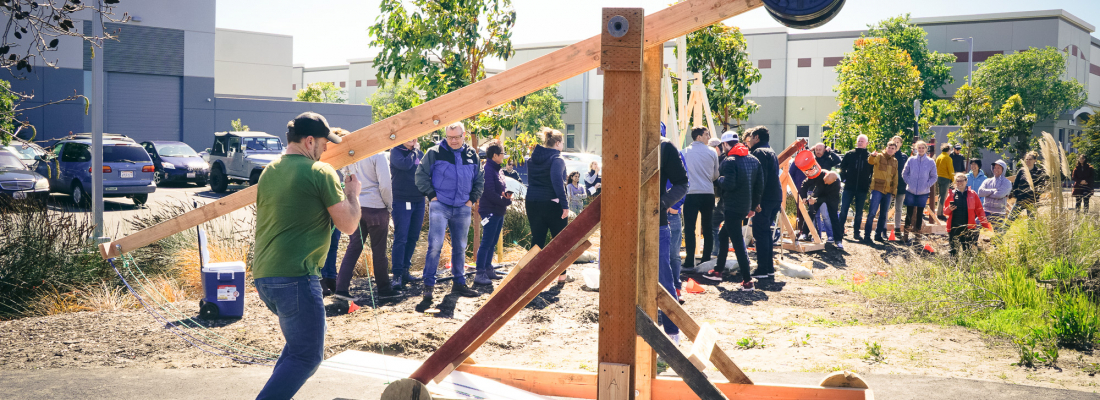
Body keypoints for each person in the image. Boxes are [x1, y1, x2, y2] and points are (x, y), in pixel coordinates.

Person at [252, 112, 361, 399]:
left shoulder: (270, 171)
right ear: (309, 140)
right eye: (324, 142)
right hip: (297, 276)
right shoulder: (320, 172)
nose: (326, 149)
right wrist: (352, 194)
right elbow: (348, 225)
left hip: (266, 277)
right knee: (308, 357)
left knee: (296, 350)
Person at [415, 122, 485, 301]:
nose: (453, 141)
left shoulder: (472, 155)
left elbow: (479, 179)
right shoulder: (434, 153)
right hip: (440, 205)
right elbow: (421, 175)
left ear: (464, 136)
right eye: (450, 137)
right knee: (435, 245)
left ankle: (459, 283)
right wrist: (432, 196)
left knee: (460, 247)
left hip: (463, 206)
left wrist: (471, 201)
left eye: (457, 137)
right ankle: (428, 285)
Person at [335, 136, 397, 299]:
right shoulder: (379, 155)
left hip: (355, 205)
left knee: (353, 247)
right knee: (379, 251)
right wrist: (389, 206)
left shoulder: (351, 155)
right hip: (376, 207)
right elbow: (385, 184)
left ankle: (341, 288)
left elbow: (346, 180)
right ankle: (383, 290)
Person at [702, 133, 762, 292]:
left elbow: (728, 184)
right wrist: (753, 206)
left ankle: (747, 280)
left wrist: (717, 178)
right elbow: (759, 186)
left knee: (737, 243)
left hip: (732, 208)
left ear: (725, 145)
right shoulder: (754, 160)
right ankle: (718, 271)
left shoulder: (730, 161)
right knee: (723, 236)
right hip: (744, 207)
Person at [526, 127, 572, 283]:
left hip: (532, 202)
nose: (562, 147)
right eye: (563, 143)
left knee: (537, 239)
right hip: (552, 203)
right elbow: (557, 181)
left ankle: (530, 275)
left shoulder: (532, 159)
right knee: (560, 240)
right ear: (557, 143)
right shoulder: (557, 159)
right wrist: (565, 204)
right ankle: (561, 276)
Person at [658, 137, 689, 341]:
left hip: (656, 222)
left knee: (663, 278)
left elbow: (682, 183)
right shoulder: (620, 139)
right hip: (622, 223)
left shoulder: (664, 147)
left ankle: (672, 333)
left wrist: (661, 203)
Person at [473, 140, 513, 287]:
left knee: (492, 241)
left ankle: (488, 267)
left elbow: (500, 189)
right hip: (489, 210)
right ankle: (480, 272)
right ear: (495, 155)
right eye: (502, 153)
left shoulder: (498, 170)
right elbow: (488, 192)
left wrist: (506, 197)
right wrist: (504, 200)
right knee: (487, 242)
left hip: (498, 210)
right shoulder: (488, 170)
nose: (504, 156)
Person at [681, 126, 720, 271]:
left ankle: (689, 260)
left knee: (689, 228)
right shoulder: (712, 152)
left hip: (690, 193)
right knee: (708, 227)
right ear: (698, 136)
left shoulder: (684, 152)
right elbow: (716, 175)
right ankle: (705, 259)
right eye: (706, 134)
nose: (708, 137)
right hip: (707, 193)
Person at [745, 126, 781, 278]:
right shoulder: (771, 150)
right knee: (766, 233)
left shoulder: (758, 152)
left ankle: (762, 269)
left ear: (757, 138)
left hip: (764, 198)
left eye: (751, 138)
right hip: (774, 196)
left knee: (760, 233)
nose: (749, 142)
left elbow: (760, 179)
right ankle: (768, 268)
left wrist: (756, 201)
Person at [389, 139, 426, 289]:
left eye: (415, 137)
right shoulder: (395, 152)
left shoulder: (419, 153)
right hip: (401, 200)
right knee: (401, 237)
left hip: (419, 200)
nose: (413, 140)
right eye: (409, 137)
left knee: (413, 236)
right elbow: (404, 165)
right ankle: (397, 274)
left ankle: (405, 270)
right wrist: (414, 151)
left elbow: (425, 171)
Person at [944, 173, 992, 257]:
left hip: (968, 227)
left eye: (962, 180)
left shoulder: (973, 194)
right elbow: (945, 212)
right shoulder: (951, 194)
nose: (959, 183)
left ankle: (967, 269)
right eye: (957, 181)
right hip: (954, 227)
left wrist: (985, 225)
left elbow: (980, 211)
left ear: (966, 181)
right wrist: (949, 209)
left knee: (967, 251)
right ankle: (953, 268)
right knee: (953, 251)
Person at [901, 141, 938, 242]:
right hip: (911, 190)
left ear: (926, 149)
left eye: (923, 148)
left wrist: (927, 185)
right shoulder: (911, 160)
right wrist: (909, 182)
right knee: (909, 213)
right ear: (916, 149)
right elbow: (904, 173)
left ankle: (918, 234)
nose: (921, 149)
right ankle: (906, 234)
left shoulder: (930, 162)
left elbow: (934, 176)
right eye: (919, 148)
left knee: (919, 214)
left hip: (923, 192)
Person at [839, 135, 874, 240]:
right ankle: (839, 231)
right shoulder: (850, 154)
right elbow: (841, 168)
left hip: (862, 189)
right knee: (843, 210)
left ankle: (856, 233)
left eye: (862, 141)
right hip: (849, 187)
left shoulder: (869, 157)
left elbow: (873, 172)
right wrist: (844, 179)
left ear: (867, 143)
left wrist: (868, 183)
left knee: (859, 212)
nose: (860, 143)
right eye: (859, 141)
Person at [864, 141, 898, 242]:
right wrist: (872, 155)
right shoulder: (879, 156)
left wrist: (894, 192)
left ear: (895, 150)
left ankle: (878, 236)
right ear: (886, 148)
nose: (891, 149)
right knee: (872, 213)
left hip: (888, 191)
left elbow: (895, 178)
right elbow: (870, 161)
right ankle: (867, 236)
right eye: (889, 147)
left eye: (893, 148)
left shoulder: (895, 161)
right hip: (877, 189)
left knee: (883, 215)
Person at [801, 171, 843, 249]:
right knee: (811, 212)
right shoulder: (819, 174)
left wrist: (816, 200)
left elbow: (828, 199)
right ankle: (805, 233)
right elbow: (805, 183)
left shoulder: (837, 184)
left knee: (833, 217)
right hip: (818, 193)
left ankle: (838, 240)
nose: (825, 183)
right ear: (825, 176)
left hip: (831, 198)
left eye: (827, 182)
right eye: (824, 180)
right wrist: (804, 197)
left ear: (833, 181)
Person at [1008, 151, 1048, 221]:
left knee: (1031, 221)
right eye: (1027, 159)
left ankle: (1031, 232)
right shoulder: (1021, 171)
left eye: (1030, 159)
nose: (1028, 161)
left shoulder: (1039, 172)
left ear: (1034, 160)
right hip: (1020, 200)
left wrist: (1036, 196)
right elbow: (1015, 184)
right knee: (1010, 218)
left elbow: (1042, 186)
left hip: (1032, 201)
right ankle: (1002, 231)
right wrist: (1017, 195)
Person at [977, 160, 1011, 229]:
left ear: (1003, 169)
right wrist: (993, 191)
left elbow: (999, 194)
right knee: (975, 226)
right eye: (995, 167)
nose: (996, 169)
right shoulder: (987, 181)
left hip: (999, 213)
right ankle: (974, 240)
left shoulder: (1007, 182)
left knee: (998, 235)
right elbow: (980, 192)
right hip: (986, 211)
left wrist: (986, 193)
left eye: (998, 168)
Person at [891, 136, 909, 237]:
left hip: (901, 185)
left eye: (898, 142)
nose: (896, 144)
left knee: (898, 208)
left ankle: (897, 228)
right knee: (886, 207)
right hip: (889, 185)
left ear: (901, 144)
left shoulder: (904, 156)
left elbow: (907, 171)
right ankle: (883, 228)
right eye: (895, 142)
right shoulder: (889, 154)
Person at [935, 144, 955, 220]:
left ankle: (939, 211)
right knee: (943, 196)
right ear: (949, 150)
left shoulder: (939, 157)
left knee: (940, 195)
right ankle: (940, 213)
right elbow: (951, 171)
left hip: (938, 178)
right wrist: (954, 181)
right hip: (945, 178)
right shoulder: (948, 158)